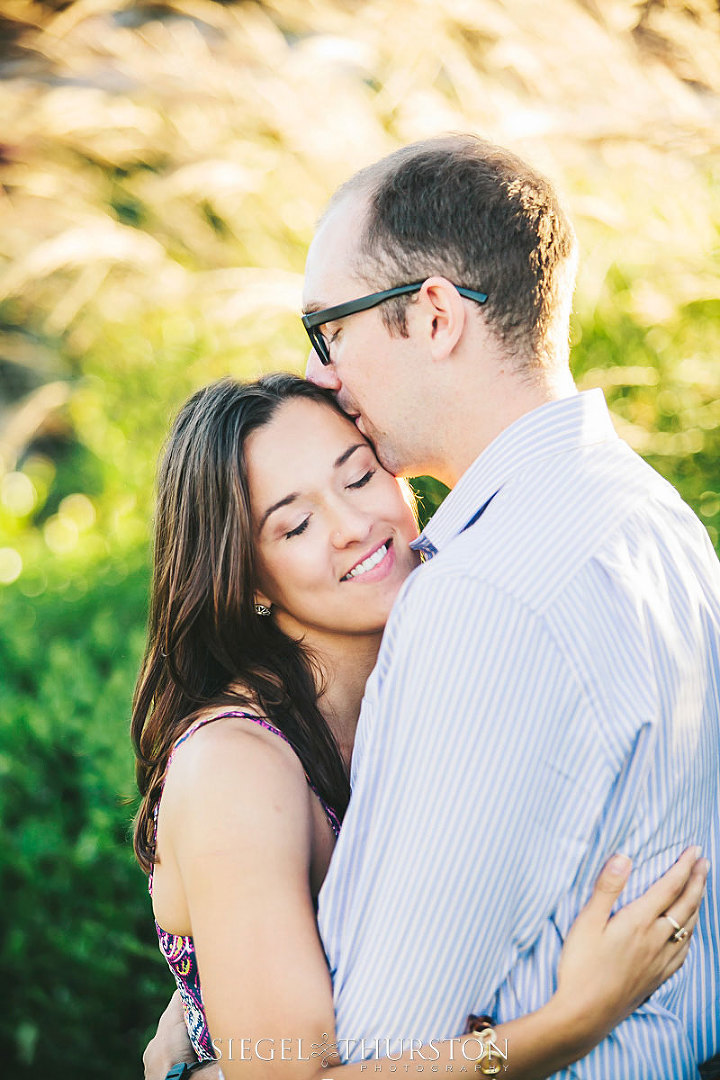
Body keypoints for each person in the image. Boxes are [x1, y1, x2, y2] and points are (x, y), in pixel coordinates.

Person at [135, 374, 707, 1080]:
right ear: (246, 577)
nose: (352, 526)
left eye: (360, 477)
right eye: (295, 525)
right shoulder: (237, 768)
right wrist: (574, 1022)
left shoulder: (448, 638)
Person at [298, 135, 720, 1078]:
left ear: (435, 314)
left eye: (330, 330)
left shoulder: (487, 594)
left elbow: (381, 1037)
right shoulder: (658, 518)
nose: (325, 372)